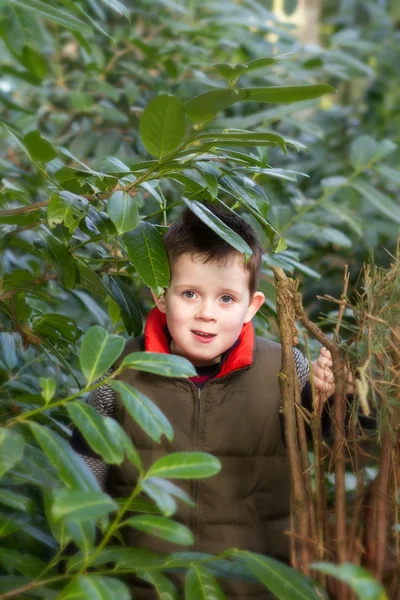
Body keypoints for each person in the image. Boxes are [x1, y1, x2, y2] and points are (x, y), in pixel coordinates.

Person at [71, 204, 335, 600]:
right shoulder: (119, 370)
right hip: (142, 586)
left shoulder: (283, 368)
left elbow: (328, 444)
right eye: (190, 293)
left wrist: (332, 398)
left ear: (252, 305)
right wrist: (77, 571)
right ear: (161, 297)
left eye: (226, 298)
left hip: (253, 586)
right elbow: (83, 479)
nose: (206, 314)